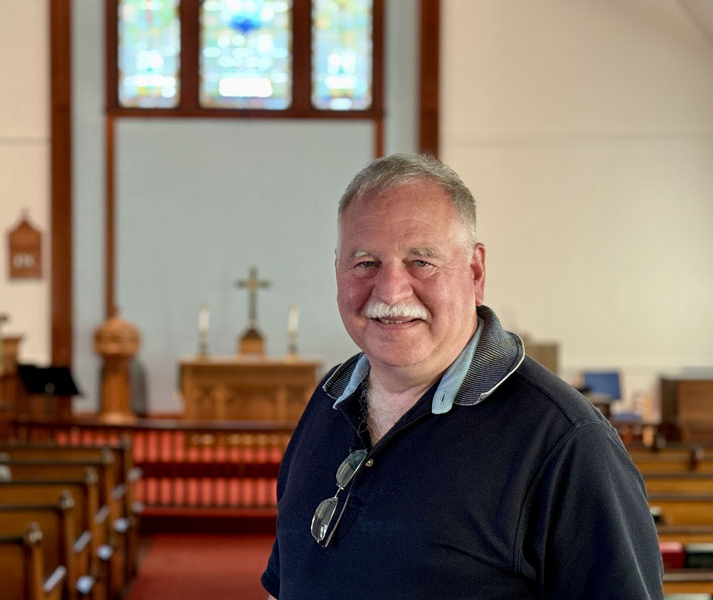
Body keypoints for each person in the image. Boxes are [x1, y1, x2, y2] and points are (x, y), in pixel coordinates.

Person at [261, 153, 663, 599]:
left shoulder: (565, 443)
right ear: (337, 269)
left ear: (475, 271)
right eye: (365, 263)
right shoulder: (328, 401)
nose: (390, 290)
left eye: (421, 261)